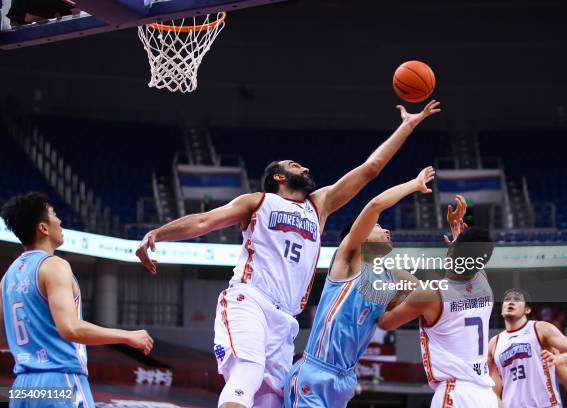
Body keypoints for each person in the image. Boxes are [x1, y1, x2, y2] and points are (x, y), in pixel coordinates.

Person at [136, 101, 442, 408]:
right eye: (295, 166)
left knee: (272, 400)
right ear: (279, 177)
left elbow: (370, 170)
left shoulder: (318, 205)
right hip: (250, 300)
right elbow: (204, 221)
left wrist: (407, 126)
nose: (305, 168)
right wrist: (158, 233)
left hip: (285, 320)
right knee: (247, 373)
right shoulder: (257, 202)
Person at [283, 166, 435, 408]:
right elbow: (375, 205)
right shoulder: (349, 259)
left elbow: (426, 297)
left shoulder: (388, 277)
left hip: (346, 380)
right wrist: (414, 185)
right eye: (377, 227)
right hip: (317, 371)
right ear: (360, 235)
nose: (386, 229)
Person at [0, 192, 153, 408]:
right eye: (54, 215)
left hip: (23, 388)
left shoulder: (8, 277)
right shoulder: (54, 265)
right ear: (43, 228)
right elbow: (70, 328)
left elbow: (5, 336)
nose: (60, 220)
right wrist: (128, 336)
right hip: (59, 380)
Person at [378, 200, 498, 407]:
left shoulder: (431, 294)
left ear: (451, 254)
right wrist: (458, 235)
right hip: (486, 395)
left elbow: (385, 323)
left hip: (455, 393)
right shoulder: (484, 285)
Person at [488, 288, 567, 408]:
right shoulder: (494, 343)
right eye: (507, 300)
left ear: (527, 309)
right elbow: (491, 389)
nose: (511, 302)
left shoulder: (540, 329)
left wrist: (559, 358)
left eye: (517, 299)